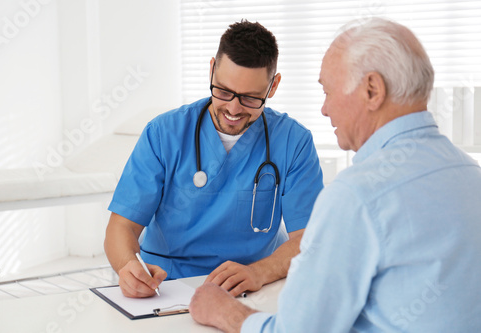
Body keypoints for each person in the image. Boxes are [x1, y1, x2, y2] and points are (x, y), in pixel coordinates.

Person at [189, 17, 481, 332]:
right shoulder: (470, 175)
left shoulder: (357, 196)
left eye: (327, 91)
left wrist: (224, 312)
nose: (325, 109)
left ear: (372, 90)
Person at [104, 20, 324, 298]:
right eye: (223, 91)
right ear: (211, 69)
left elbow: (310, 238)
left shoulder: (293, 141)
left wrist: (259, 272)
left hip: (254, 283)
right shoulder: (164, 134)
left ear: (273, 86)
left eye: (250, 98)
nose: (233, 108)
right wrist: (128, 267)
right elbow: (122, 226)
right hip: (167, 285)